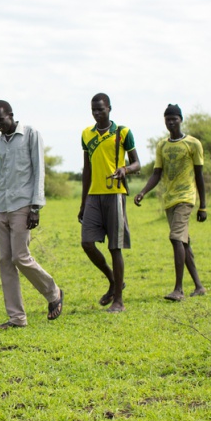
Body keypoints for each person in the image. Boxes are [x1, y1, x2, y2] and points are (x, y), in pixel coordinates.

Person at [0, 100, 64, 329]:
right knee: (5, 261)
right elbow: (2, 175)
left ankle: (53, 292)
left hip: (23, 205)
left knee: (20, 256)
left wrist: (35, 207)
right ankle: (17, 318)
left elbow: (38, 170)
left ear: (11, 115)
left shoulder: (31, 134)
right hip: (3, 205)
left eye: (1, 120)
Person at [134, 104, 207, 300]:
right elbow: (157, 174)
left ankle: (179, 289)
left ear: (181, 119)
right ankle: (199, 286)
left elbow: (199, 176)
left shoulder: (193, 144)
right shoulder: (162, 146)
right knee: (184, 243)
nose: (171, 122)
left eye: (174, 118)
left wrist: (203, 205)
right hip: (169, 199)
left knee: (175, 238)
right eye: (168, 119)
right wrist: (143, 192)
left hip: (186, 198)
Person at [78, 93, 140, 313]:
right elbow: (87, 170)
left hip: (115, 194)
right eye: (93, 110)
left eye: (100, 109)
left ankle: (119, 301)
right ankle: (114, 280)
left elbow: (137, 163)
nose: (96, 113)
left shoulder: (122, 132)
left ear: (109, 109)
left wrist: (125, 169)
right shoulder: (87, 134)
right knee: (87, 242)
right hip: (94, 195)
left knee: (115, 247)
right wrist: (83, 202)